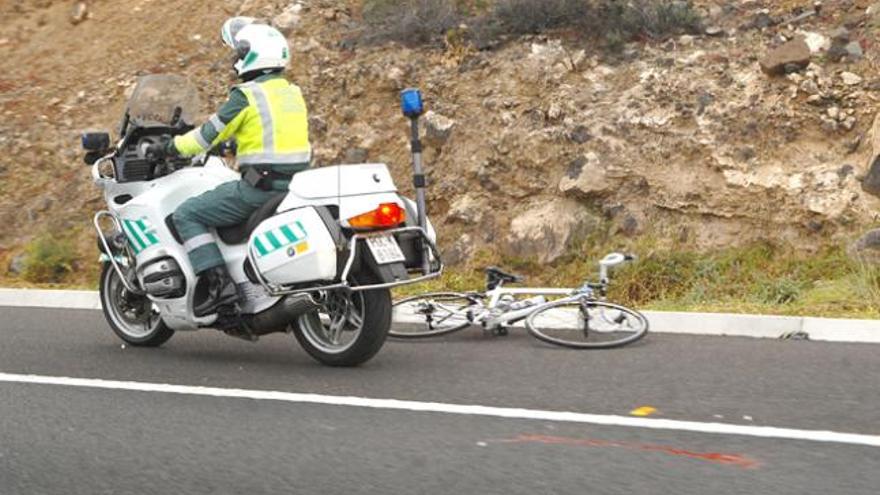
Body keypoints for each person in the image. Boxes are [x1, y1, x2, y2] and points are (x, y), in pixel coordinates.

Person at [152, 18, 311, 316]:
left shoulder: (247, 95)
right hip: (295, 187)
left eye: (238, 54)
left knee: (187, 213)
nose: (235, 60)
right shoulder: (292, 92)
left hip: (258, 191)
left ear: (251, 55)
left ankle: (219, 288)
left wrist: (170, 147)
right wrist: (235, 147)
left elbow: (204, 136)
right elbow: (274, 134)